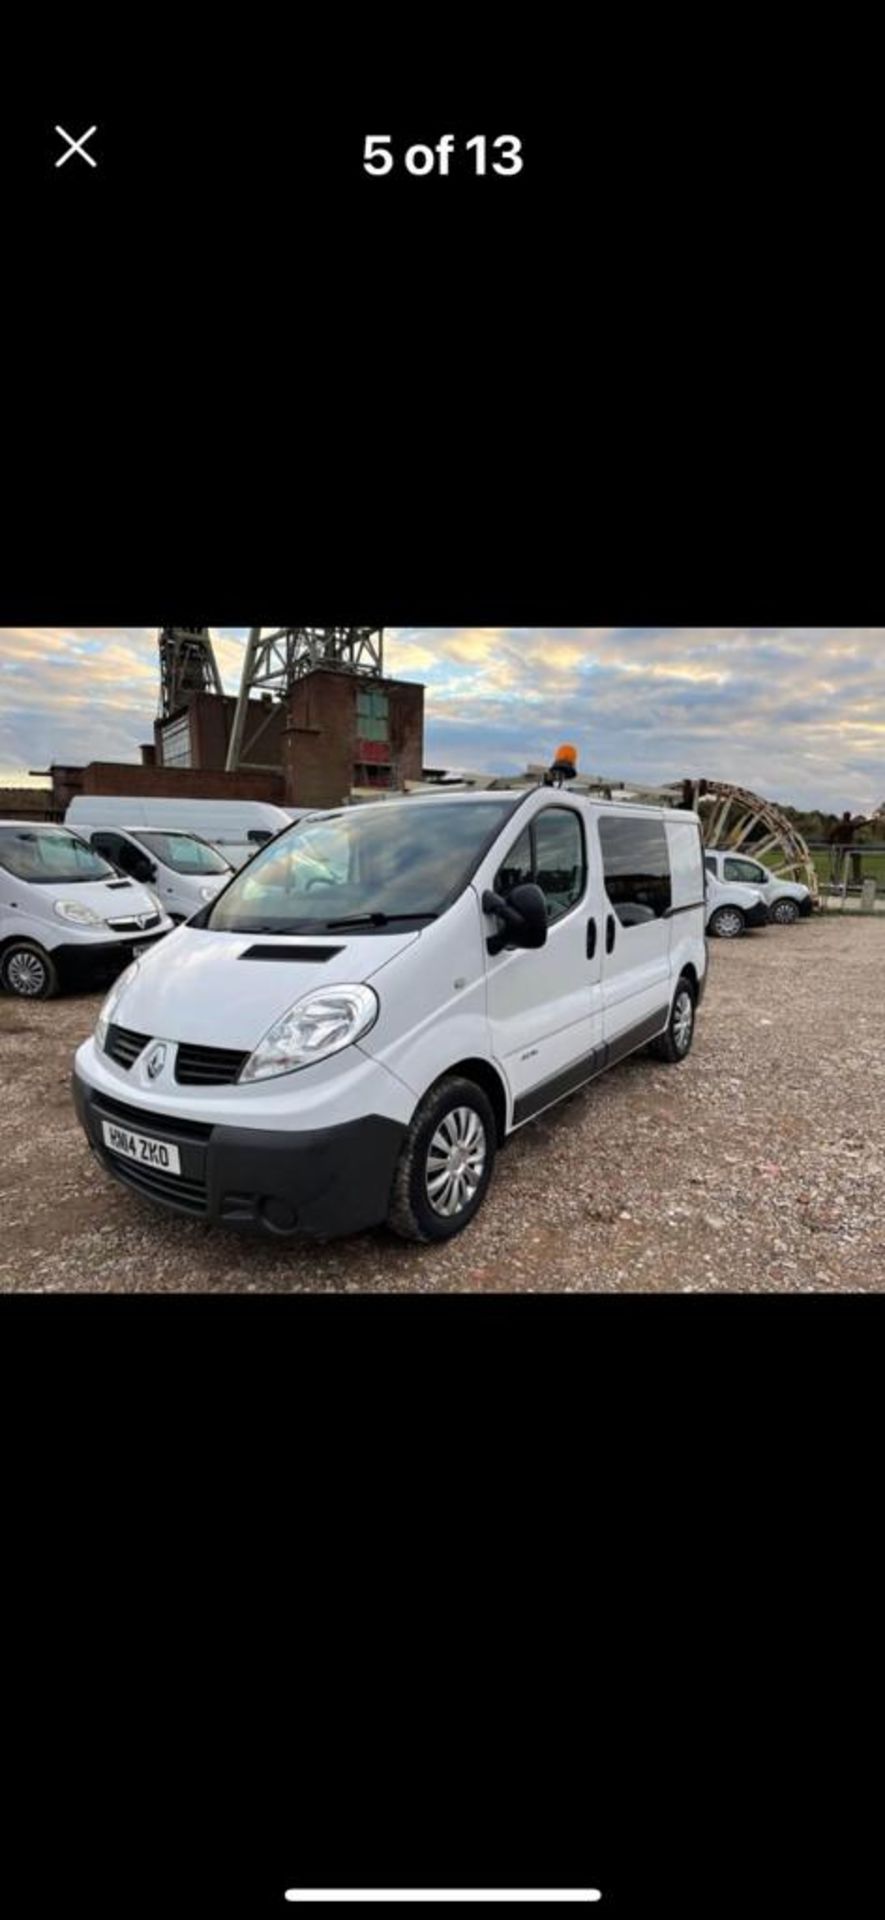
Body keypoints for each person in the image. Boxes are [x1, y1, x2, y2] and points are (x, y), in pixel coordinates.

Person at [828, 811, 869, 885]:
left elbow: (831, 834)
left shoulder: (840, 825)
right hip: (845, 847)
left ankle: (839, 877)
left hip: (844, 847)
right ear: (848, 817)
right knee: (852, 858)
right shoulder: (848, 825)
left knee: (840, 862)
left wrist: (831, 842)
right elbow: (860, 825)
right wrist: (871, 821)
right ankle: (856, 876)